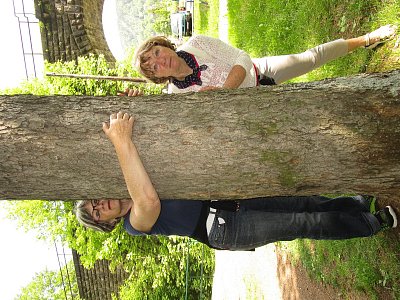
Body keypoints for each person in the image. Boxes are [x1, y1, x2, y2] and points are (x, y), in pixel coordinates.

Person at [74, 112, 398, 251]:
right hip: (224, 228)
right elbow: (148, 201)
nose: (99, 205)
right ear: (108, 222)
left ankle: (357, 205)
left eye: (93, 201)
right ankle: (372, 224)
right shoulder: (134, 223)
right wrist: (121, 142)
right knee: (304, 221)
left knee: (303, 201)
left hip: (227, 198)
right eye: (97, 212)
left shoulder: (129, 181)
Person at [120, 24, 397, 96]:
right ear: (156, 77)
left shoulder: (197, 44)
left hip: (259, 73)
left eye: (156, 53)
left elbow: (241, 56)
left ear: (163, 46)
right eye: (152, 67)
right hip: (254, 112)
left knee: (311, 58)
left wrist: (225, 91)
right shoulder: (175, 96)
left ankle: (367, 39)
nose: (159, 62)